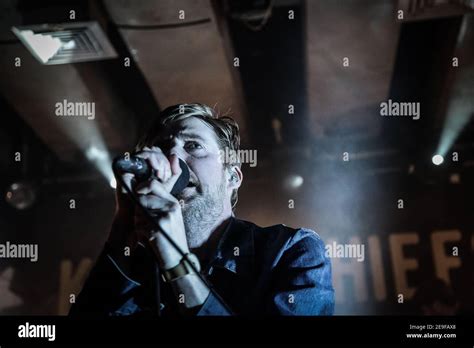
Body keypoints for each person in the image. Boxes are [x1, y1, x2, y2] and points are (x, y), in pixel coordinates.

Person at [69, 103, 334, 316]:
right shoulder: (136, 267)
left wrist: (177, 264)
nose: (175, 159)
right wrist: (122, 229)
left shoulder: (291, 251)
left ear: (232, 177)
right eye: (163, 148)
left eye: (193, 146)